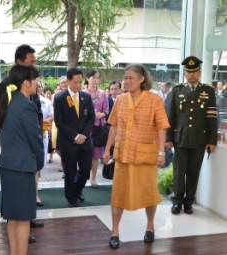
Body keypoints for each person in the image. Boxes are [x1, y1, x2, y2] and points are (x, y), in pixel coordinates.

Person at [103, 64, 170, 249]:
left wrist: (160, 152)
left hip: (146, 156)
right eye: (126, 77)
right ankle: (115, 231)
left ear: (142, 79)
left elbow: (162, 127)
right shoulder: (120, 100)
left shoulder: (154, 99)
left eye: (131, 78)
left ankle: (150, 226)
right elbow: (113, 126)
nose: (127, 81)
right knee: (118, 194)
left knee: (149, 192)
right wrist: (107, 149)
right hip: (123, 155)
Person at [0, 44, 44, 243]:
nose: (36, 83)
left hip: (7, 165)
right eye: (34, 79)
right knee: (23, 218)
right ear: (25, 82)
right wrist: (39, 163)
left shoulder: (6, 102)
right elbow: (35, 140)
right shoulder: (25, 105)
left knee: (12, 217)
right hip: (23, 167)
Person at [165, 56, 217, 215]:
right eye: (188, 72)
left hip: (199, 139)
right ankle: (177, 202)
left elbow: (212, 117)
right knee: (179, 172)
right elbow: (171, 116)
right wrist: (168, 138)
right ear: (184, 73)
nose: (192, 75)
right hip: (180, 138)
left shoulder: (208, 91)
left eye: (194, 72)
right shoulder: (177, 90)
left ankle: (189, 202)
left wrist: (212, 140)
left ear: (199, 72)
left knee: (194, 172)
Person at [54, 67, 95, 207]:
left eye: (80, 82)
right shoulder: (59, 98)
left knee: (85, 170)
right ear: (68, 81)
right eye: (75, 82)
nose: (78, 85)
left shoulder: (86, 97)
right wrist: (75, 135)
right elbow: (59, 122)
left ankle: (77, 189)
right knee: (70, 171)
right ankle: (71, 197)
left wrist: (83, 135)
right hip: (68, 142)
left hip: (85, 141)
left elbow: (91, 118)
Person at [83, 70, 109, 188]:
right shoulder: (82, 93)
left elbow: (107, 110)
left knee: (95, 155)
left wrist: (101, 115)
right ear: (88, 79)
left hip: (98, 127)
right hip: (85, 128)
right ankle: (82, 177)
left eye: (98, 78)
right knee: (83, 154)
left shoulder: (102, 94)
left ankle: (93, 178)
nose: (96, 80)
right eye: (93, 77)